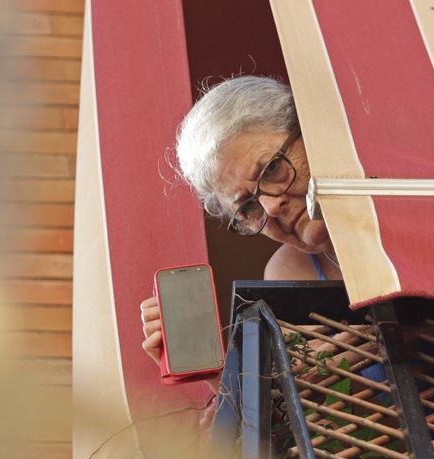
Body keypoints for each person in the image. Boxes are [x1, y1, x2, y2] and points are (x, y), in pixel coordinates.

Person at [140, 76, 338, 365]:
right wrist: (213, 378)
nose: (270, 207)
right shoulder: (286, 274)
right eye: (248, 206)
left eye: (271, 168)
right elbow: (313, 399)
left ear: (307, 131)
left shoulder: (397, 197)